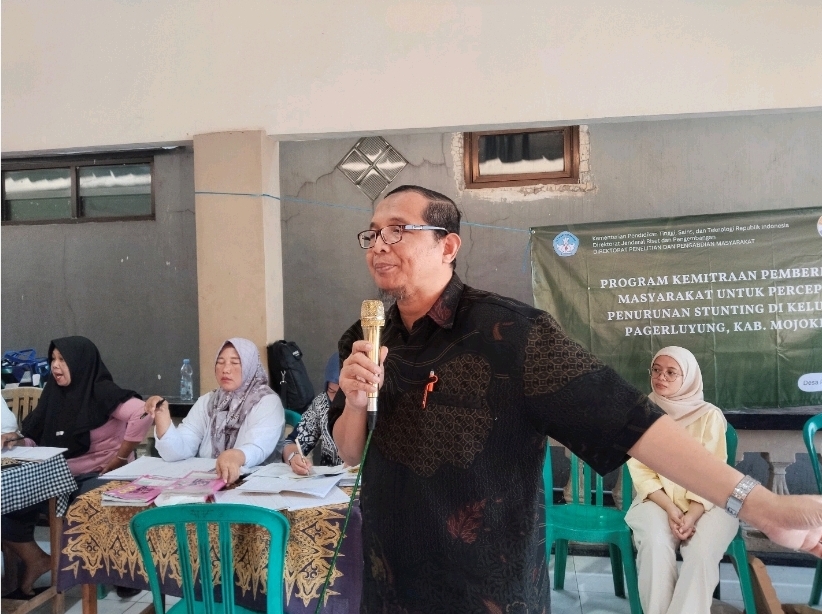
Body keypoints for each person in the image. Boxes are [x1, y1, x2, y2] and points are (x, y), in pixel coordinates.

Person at [330, 184, 822, 613]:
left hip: (482, 589)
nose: (379, 244)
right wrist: (353, 402)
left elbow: (630, 422)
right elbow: (351, 453)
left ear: (448, 245)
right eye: (372, 233)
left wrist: (763, 508)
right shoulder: (364, 336)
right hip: (388, 577)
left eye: (398, 230)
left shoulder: (512, 333)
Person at [1, 336, 150, 598]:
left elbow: (143, 413)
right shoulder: (53, 395)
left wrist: (120, 457)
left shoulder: (101, 391)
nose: (55, 366)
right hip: (60, 477)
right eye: (53, 359)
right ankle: (37, 559)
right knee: (9, 503)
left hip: (102, 474)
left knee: (91, 505)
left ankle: (120, 572)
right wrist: (18, 440)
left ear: (81, 363)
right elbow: (37, 437)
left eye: (63, 360)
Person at [625, 346, 738, 614]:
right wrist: (671, 508)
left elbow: (713, 473)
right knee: (655, 543)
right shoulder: (641, 413)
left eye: (671, 372)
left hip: (710, 501)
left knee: (701, 552)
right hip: (657, 499)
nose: (661, 377)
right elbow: (640, 470)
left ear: (688, 378)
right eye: (656, 370)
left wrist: (693, 512)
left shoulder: (709, 415)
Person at [145, 337, 284, 484]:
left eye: (235, 362)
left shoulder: (267, 402)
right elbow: (178, 451)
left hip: (255, 484)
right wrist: (162, 418)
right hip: (210, 482)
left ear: (250, 366)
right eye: (220, 362)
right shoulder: (209, 401)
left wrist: (235, 456)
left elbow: (258, 447)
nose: (225, 369)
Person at [282, 352, 342, 475]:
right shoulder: (322, 404)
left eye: (345, 393)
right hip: (331, 482)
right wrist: (294, 456)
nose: (338, 400)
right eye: (332, 391)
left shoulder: (376, 406)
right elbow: (291, 442)